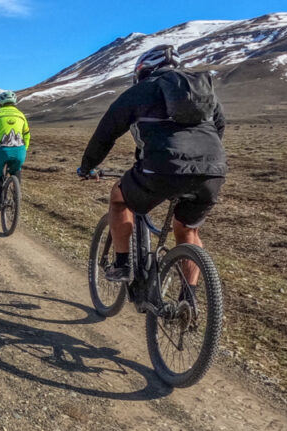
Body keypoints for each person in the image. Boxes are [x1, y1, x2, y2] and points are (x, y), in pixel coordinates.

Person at [77, 44, 227, 290]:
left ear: (143, 70)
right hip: (212, 170)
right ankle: (187, 302)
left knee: (118, 198)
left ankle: (122, 264)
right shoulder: (204, 92)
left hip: (161, 169)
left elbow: (106, 133)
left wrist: (87, 167)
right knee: (187, 231)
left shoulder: (140, 91)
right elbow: (219, 128)